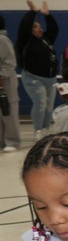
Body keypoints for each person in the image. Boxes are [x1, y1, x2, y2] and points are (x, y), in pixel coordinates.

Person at [16, 0, 59, 140]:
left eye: (40, 26)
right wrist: (32, 12)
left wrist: (48, 15)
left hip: (50, 78)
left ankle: (46, 129)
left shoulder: (46, 39)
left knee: (49, 105)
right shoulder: (25, 40)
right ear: (30, 30)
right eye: (35, 26)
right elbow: (23, 26)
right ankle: (38, 130)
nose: (39, 28)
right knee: (40, 102)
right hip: (33, 77)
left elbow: (54, 29)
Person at [0, 16, 18, 152]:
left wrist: (1, 75)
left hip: (5, 83)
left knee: (8, 111)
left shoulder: (2, 40)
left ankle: (12, 141)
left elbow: (10, 61)